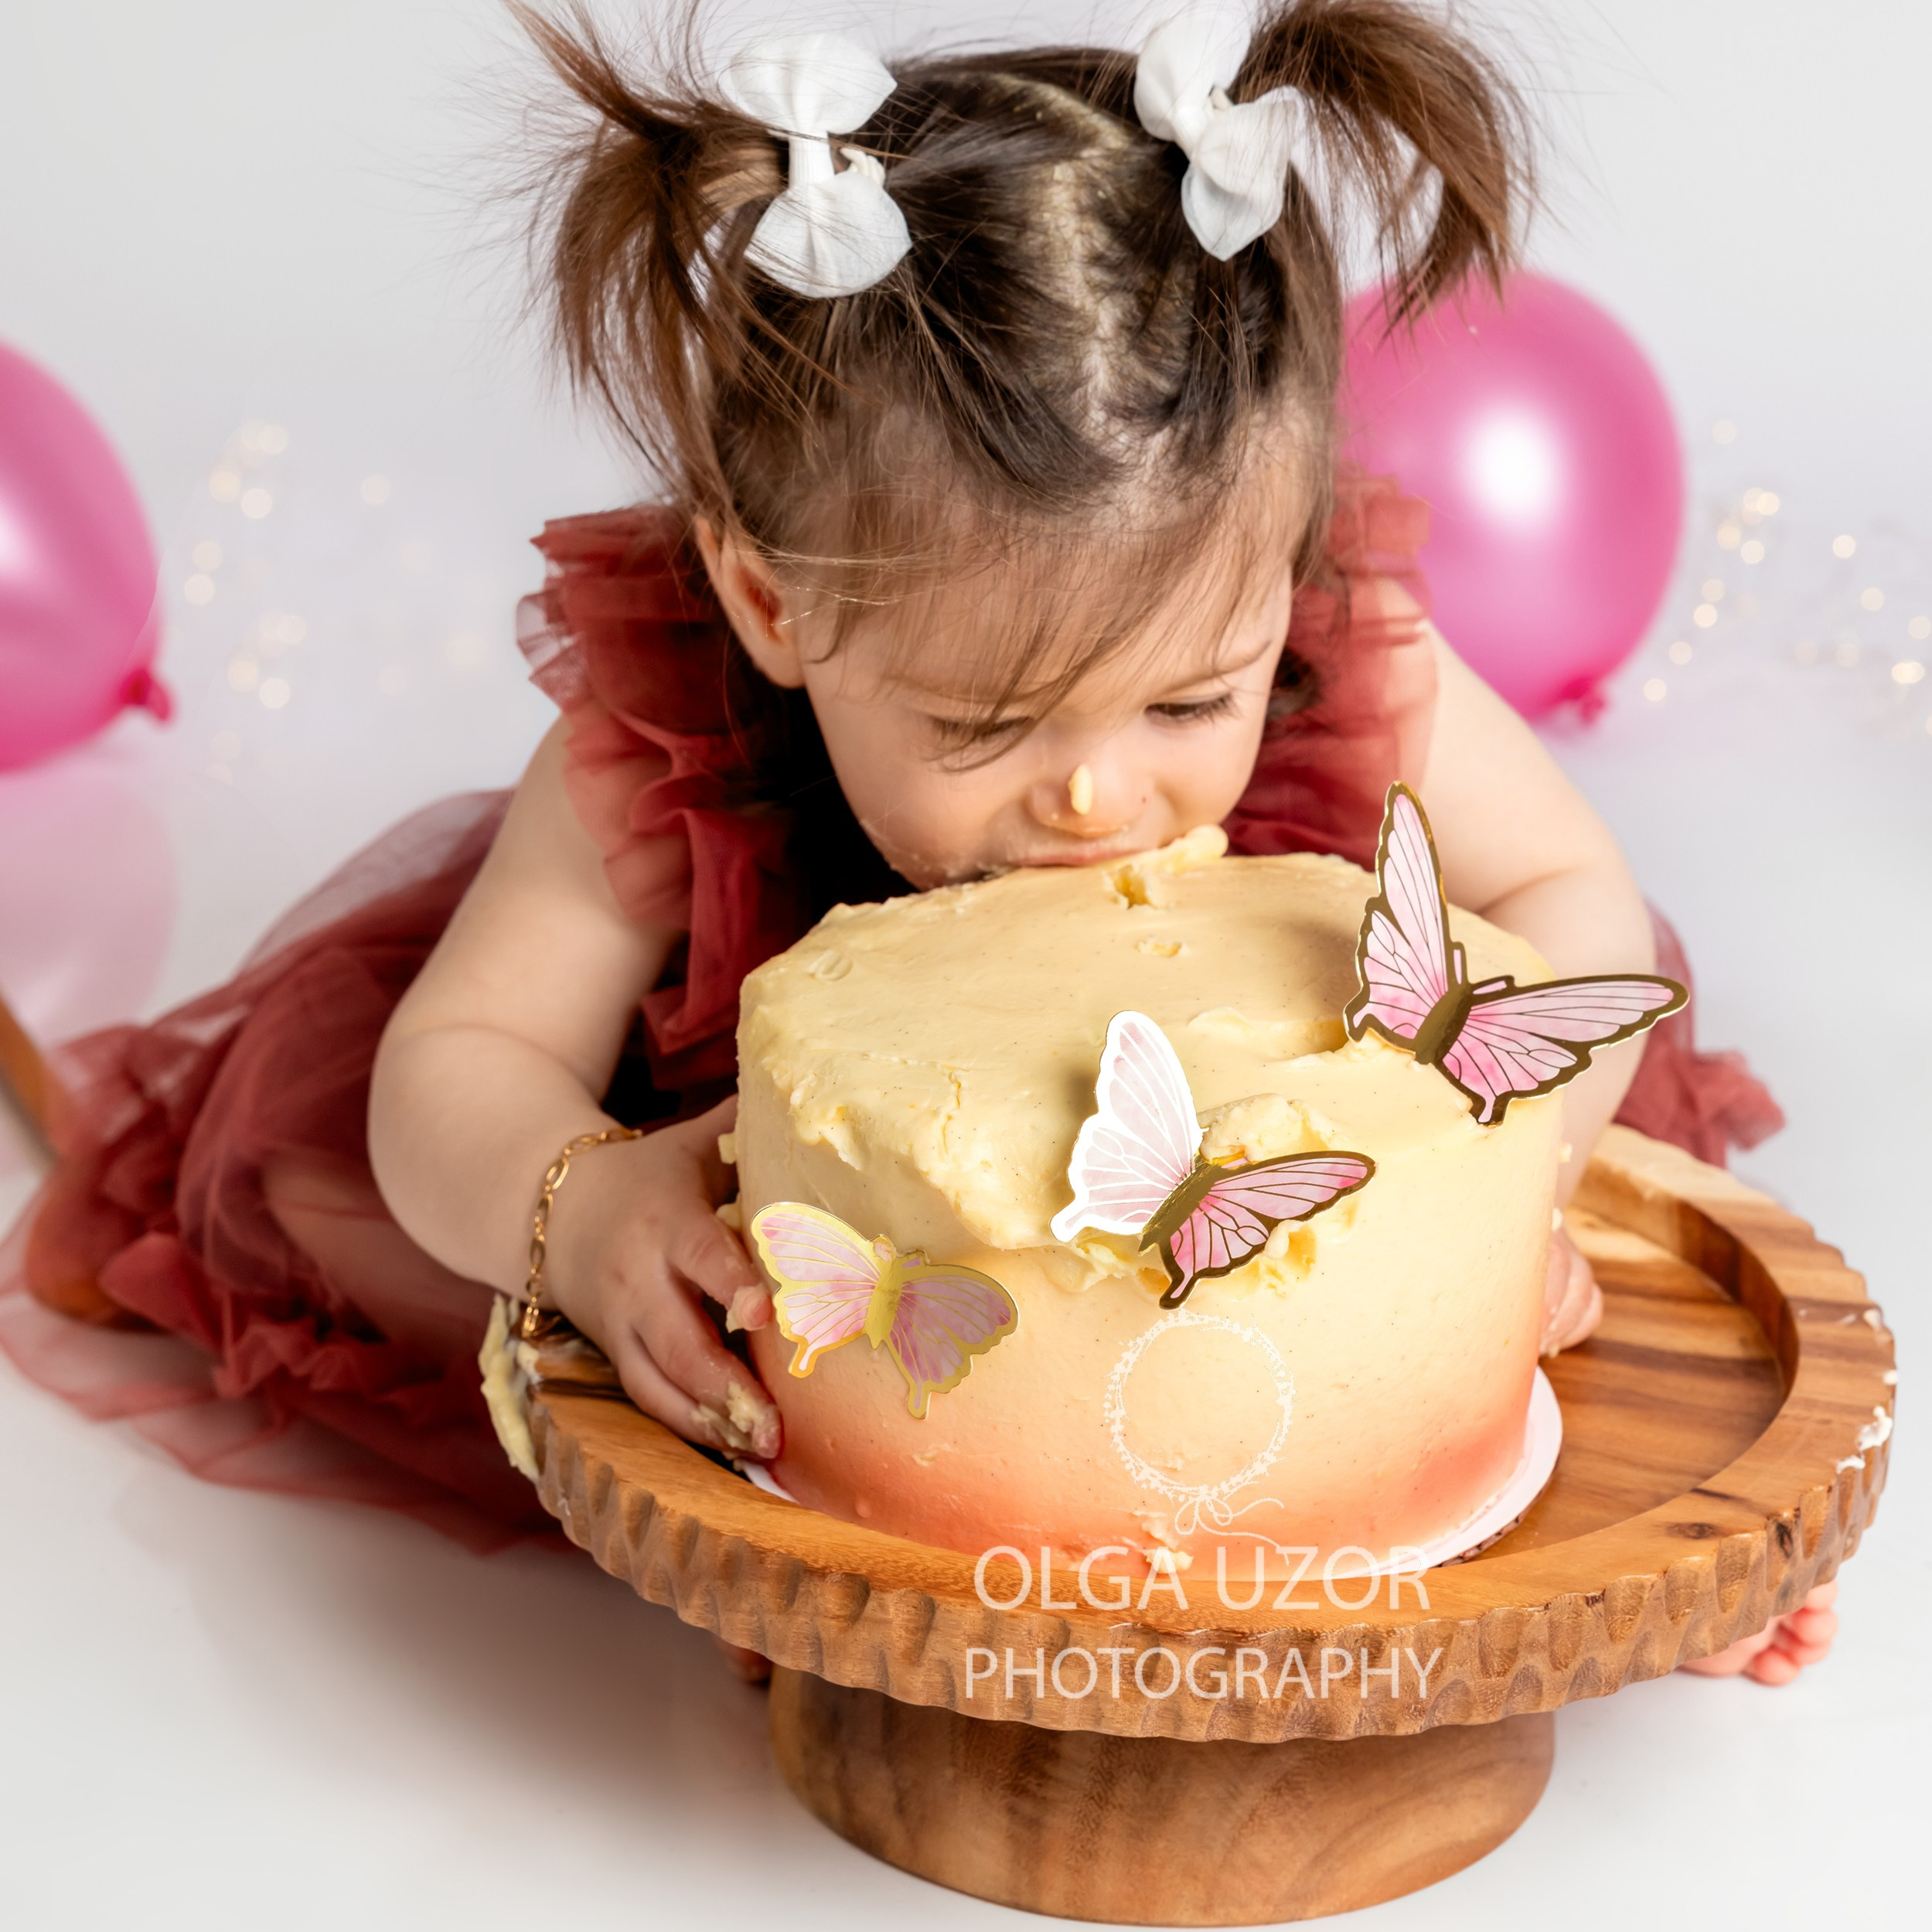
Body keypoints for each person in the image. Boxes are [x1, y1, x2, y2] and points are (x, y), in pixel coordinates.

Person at [2, 0, 1824, 1682]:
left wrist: (1502, 1175)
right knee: (362, 1222)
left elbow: (1574, 905)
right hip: (819, 1268)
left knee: (1491, 1382)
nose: (1099, 797)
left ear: (1276, 580)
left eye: (1190, 701)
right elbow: (458, 1062)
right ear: (772, 600)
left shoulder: (1343, 643)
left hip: (1258, 1257)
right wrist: (580, 1208)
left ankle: (1601, 1580)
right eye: (980, 723)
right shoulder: (674, 730)